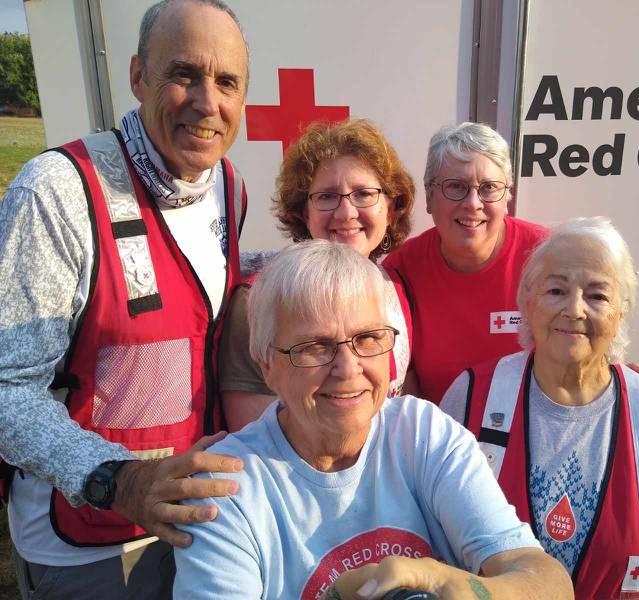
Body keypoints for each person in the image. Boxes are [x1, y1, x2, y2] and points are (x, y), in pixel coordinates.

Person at [0, 1, 251, 597]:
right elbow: (6, 389)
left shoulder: (228, 186)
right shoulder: (57, 192)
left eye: (227, 82)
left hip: (200, 522)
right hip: (88, 540)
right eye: (184, 73)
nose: (206, 102)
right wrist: (120, 479)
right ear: (139, 76)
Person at [173, 240, 573, 600]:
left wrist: (449, 584)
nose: (348, 369)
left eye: (367, 338)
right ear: (266, 365)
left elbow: (547, 582)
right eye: (316, 346)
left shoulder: (420, 432)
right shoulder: (225, 486)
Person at [440, 217, 639, 599]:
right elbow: (432, 543)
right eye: (556, 290)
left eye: (597, 296)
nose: (575, 310)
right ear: (528, 301)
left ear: (621, 312)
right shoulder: (473, 396)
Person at [220, 119, 415, 431]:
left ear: (390, 210)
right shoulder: (259, 301)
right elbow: (255, 438)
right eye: (326, 196)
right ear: (302, 211)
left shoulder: (394, 289)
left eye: (363, 194)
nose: (346, 213)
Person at [382, 122, 548, 404]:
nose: (473, 203)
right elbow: (403, 385)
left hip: (529, 437)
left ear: (508, 196)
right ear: (430, 197)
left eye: (489, 188)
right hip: (439, 437)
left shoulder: (548, 258)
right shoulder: (401, 271)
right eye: (456, 187)